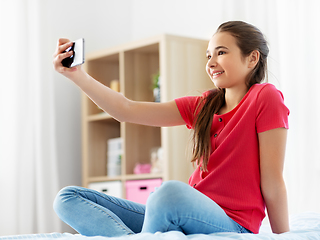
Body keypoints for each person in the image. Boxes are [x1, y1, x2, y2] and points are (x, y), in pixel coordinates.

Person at [53, 21, 290, 236]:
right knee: (67, 198)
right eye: (208, 56)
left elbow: (272, 180)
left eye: (221, 52)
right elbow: (125, 109)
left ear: (252, 58)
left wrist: (285, 237)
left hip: (233, 224)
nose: (211, 63)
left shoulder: (265, 97)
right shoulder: (204, 105)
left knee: (168, 194)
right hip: (184, 213)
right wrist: (76, 75)